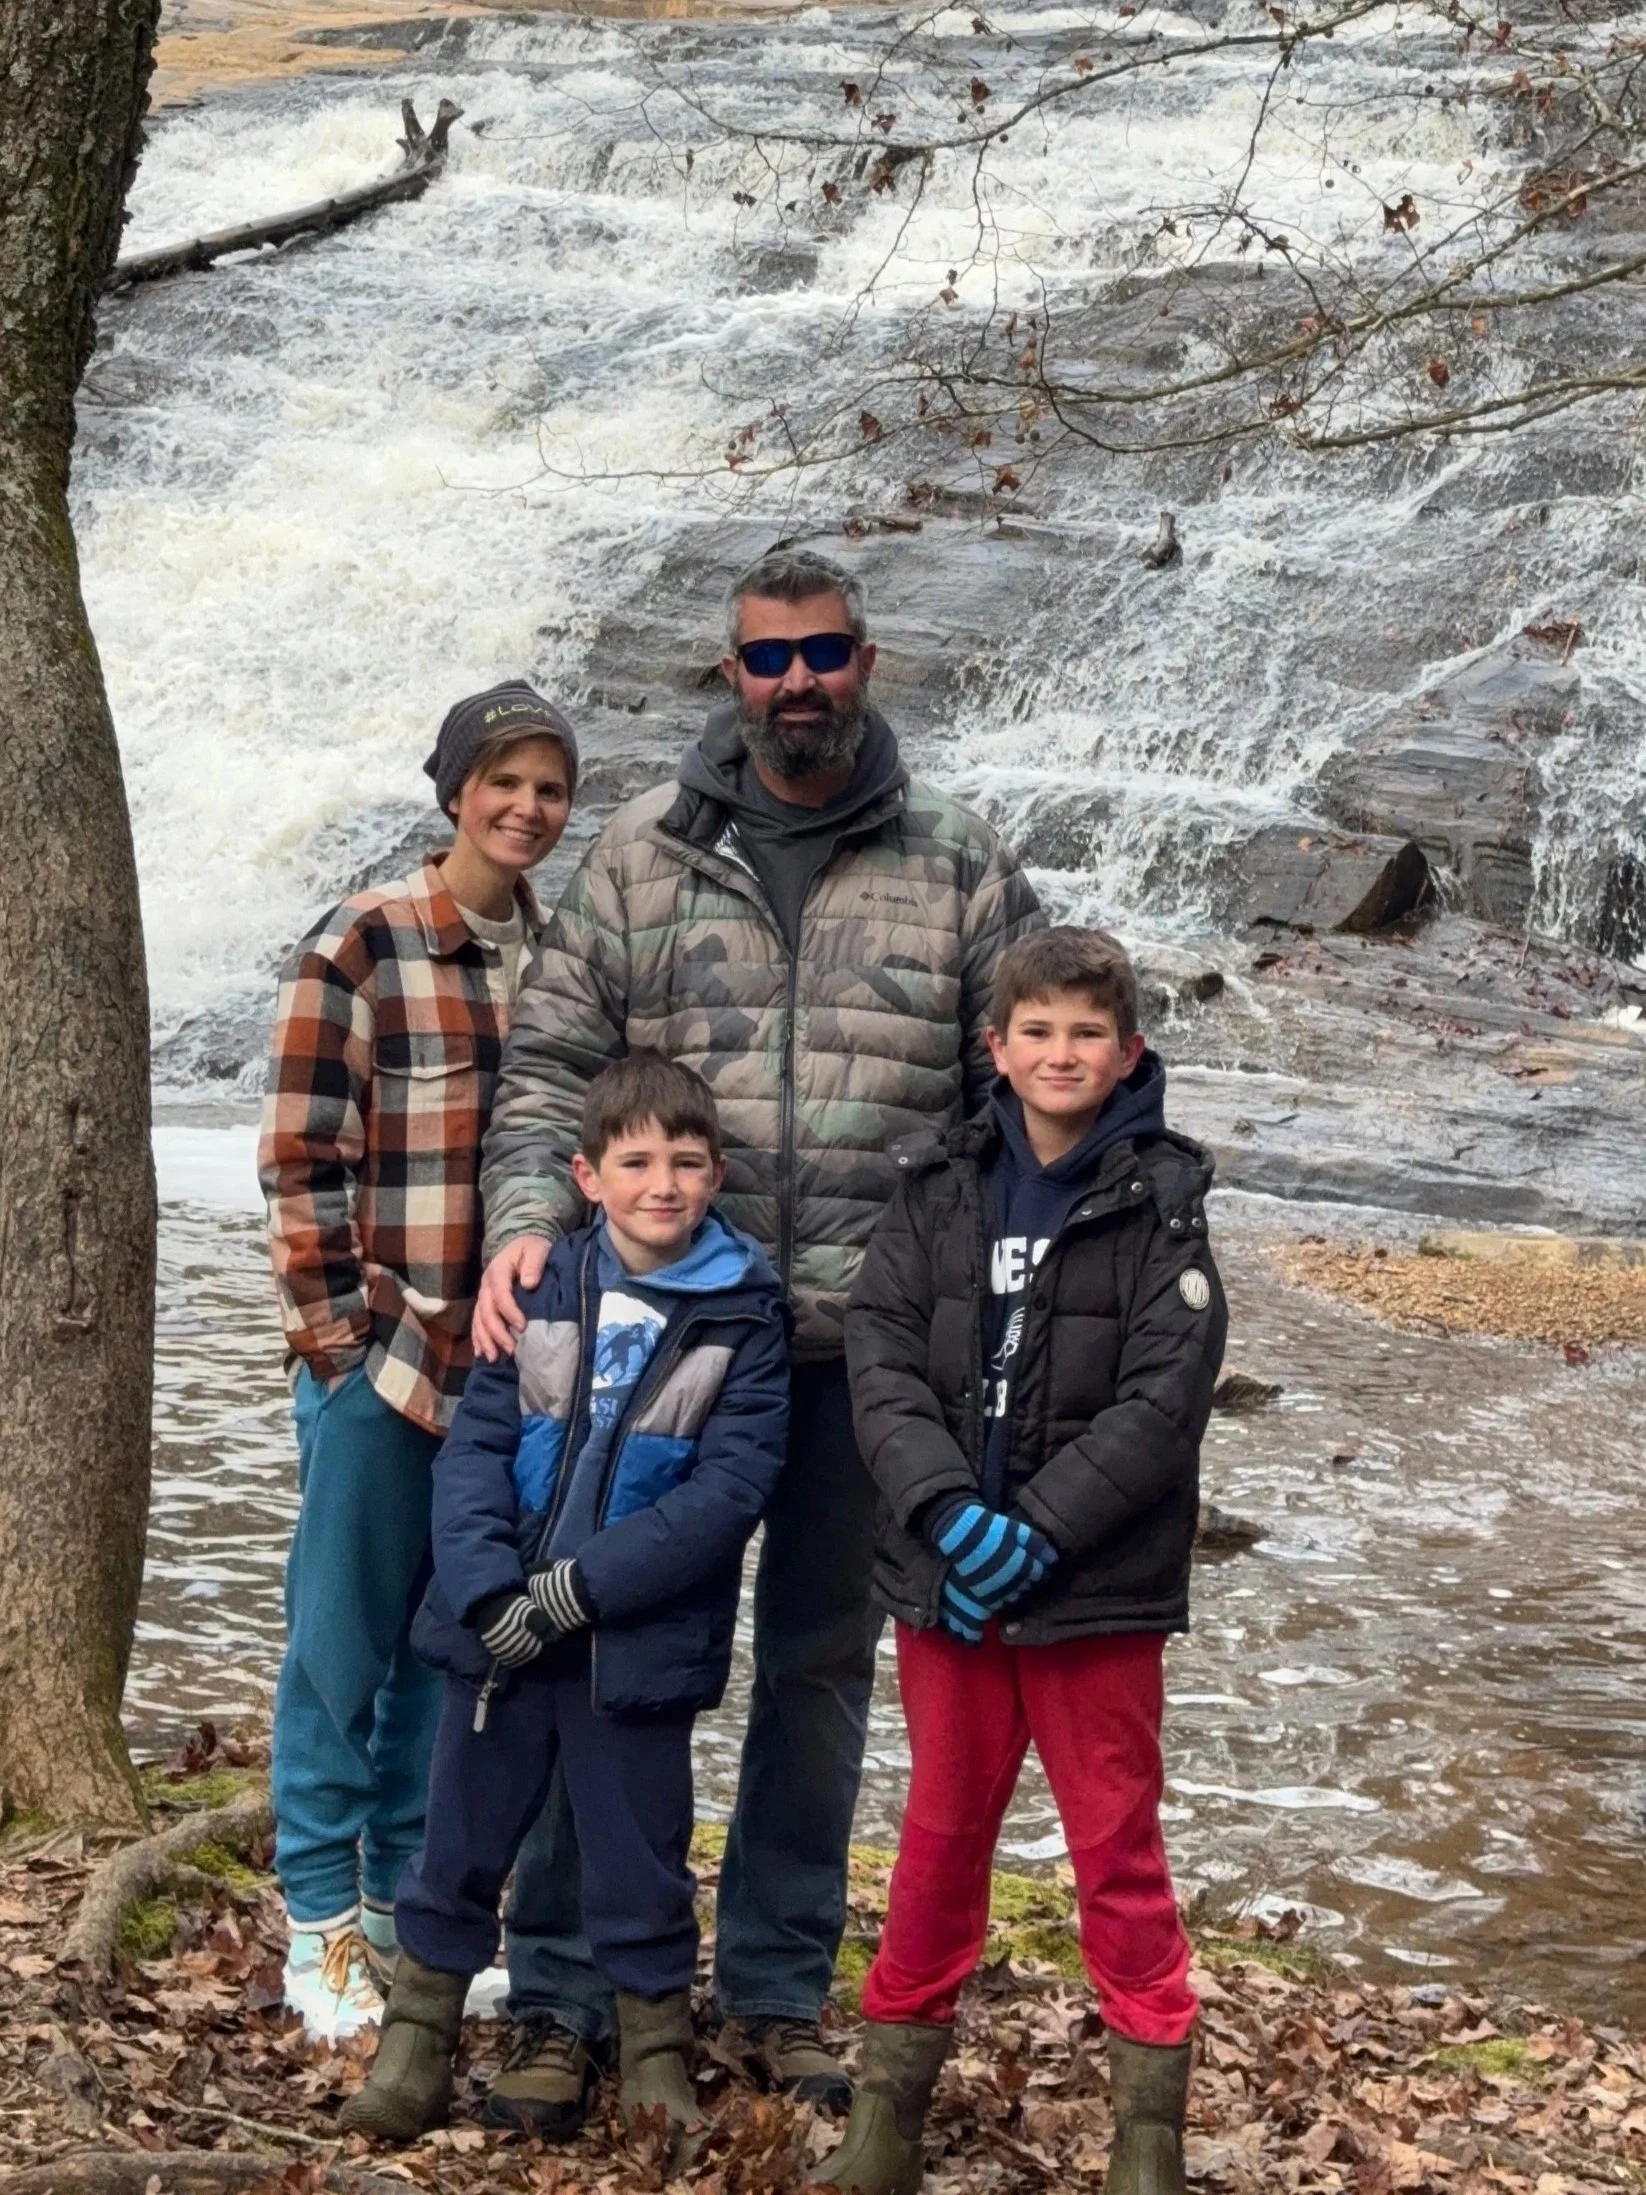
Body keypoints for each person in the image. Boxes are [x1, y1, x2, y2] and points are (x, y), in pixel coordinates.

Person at [467, 547, 1043, 2133]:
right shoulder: (643, 856)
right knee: (599, 1656)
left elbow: (1026, 1091)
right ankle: (569, 1988)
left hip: (871, 1351)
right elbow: (550, 1067)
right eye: (769, 659)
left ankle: (780, 1989)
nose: (799, 682)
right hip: (656, 1337)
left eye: (826, 652)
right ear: (731, 675)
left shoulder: (960, 862)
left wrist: (996, 1284)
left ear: (870, 658)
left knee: (814, 1671)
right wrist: (530, 1217)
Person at [827, 926, 1228, 2195]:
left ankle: (1145, 2135)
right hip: (948, 1586)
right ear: (994, 1047)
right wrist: (948, 1514)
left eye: (1086, 1033)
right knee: (937, 1836)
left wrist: (1041, 1529)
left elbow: (1165, 1399)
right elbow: (880, 1354)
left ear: (1128, 1051)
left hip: (1092, 1594)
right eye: (1037, 1031)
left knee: (1116, 1842)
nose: (1061, 1053)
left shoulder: (1162, 1200)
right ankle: (886, 2114)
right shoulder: (938, 1183)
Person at [337, 1053, 791, 2161]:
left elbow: (730, 1489)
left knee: (639, 1856)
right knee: (459, 1840)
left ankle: (650, 2063)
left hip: (631, 1643)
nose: (663, 1184)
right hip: (498, 1641)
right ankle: (416, 2042)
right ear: (587, 1175)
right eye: (635, 1161)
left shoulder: (745, 1312)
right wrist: (492, 1584)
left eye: (686, 1162)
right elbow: (478, 1443)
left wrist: (580, 1588)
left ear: (716, 1171)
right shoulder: (543, 1287)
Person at [258, 681, 578, 2038]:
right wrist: (338, 1342)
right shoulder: (367, 939)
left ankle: (396, 1908)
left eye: (550, 787)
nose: (526, 807)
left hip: (505, 1370)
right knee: (340, 1642)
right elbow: (297, 1151)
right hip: (380, 1355)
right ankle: (317, 1927)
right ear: (453, 790)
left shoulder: (564, 954)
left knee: (444, 1649)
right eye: (502, 780)